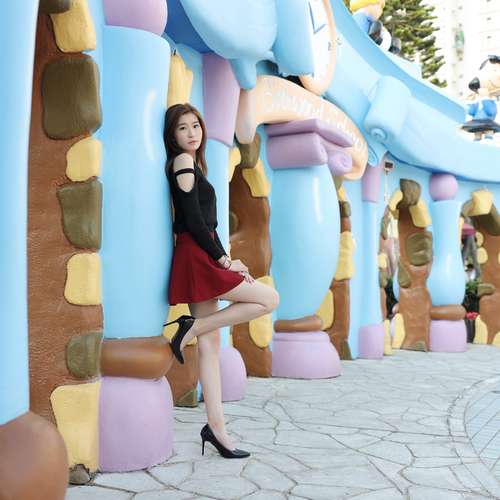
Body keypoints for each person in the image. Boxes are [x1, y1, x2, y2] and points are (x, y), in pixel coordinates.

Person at [163, 103, 280, 459]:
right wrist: (224, 260)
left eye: (195, 125)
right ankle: (191, 328)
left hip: (201, 252)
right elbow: (194, 221)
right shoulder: (183, 163)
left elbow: (203, 224)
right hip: (198, 255)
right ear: (172, 135)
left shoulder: (193, 164)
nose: (191, 133)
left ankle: (216, 428)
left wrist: (224, 256)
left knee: (211, 345)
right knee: (268, 299)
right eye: (182, 128)